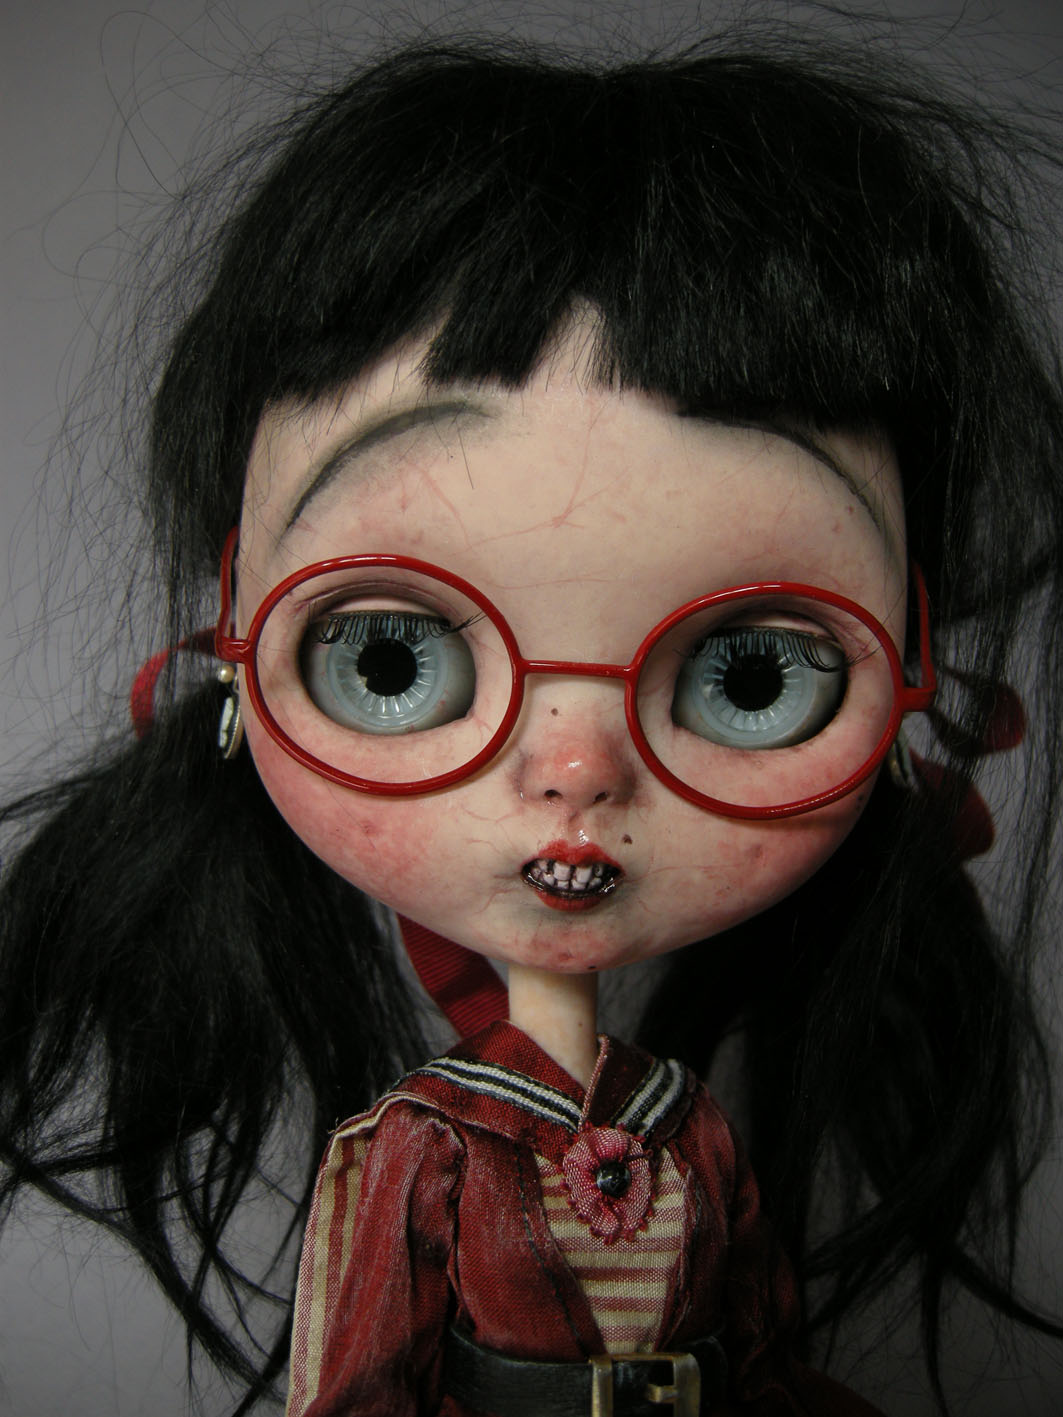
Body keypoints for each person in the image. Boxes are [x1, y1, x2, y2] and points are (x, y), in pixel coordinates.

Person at [2, 32, 1062, 1417]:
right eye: (392, 657)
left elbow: (755, 1327)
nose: (574, 771)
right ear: (231, 643)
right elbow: (362, 1369)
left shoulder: (678, 1121)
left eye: (752, 675)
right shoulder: (424, 1146)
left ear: (912, 671)